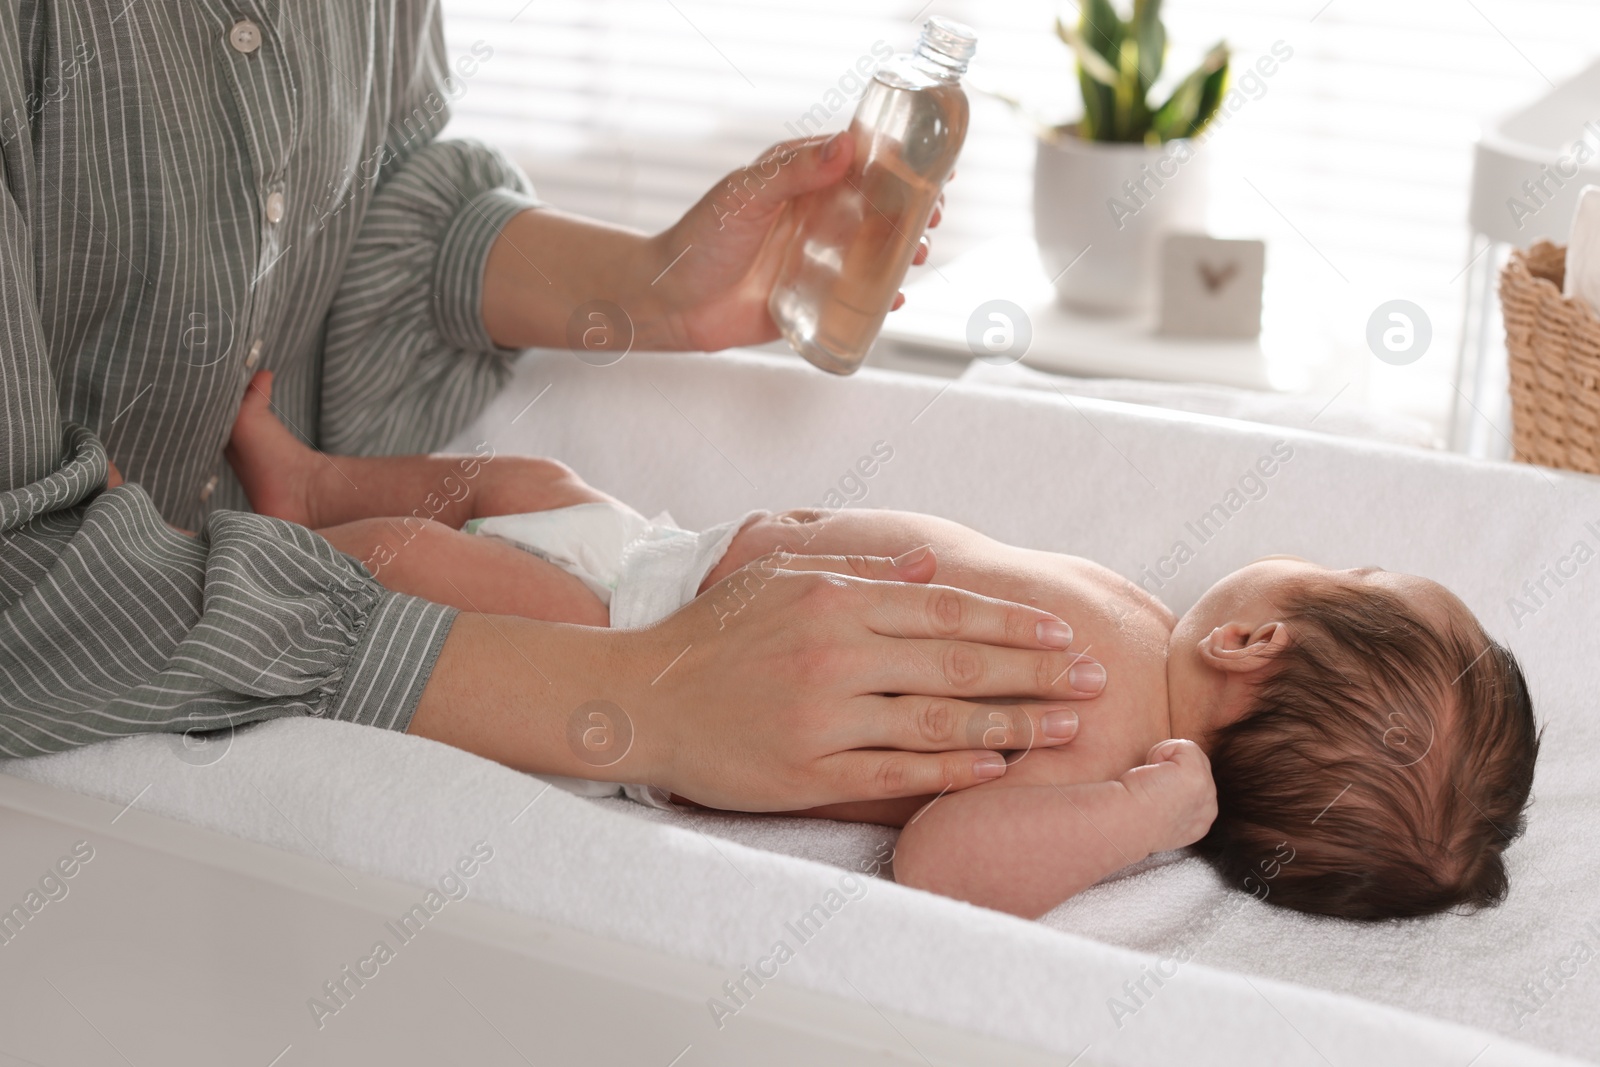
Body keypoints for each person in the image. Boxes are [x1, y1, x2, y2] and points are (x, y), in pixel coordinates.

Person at [0, 7, 1105, 808]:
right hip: (108, 690)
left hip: (622, 568)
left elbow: (358, 191)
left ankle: (313, 490)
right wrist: (647, 691)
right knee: (429, 552)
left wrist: (652, 285)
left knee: (518, 499)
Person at [229, 379, 1540, 920]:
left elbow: (944, 859)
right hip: (664, 557)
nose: (1341, 553)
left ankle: (229, 573)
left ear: (1259, 635)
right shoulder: (1135, 634)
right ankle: (306, 483)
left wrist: (1150, 811)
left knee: (415, 563)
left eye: (1358, 574)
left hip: (628, 661)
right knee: (512, 477)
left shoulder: (1104, 746)